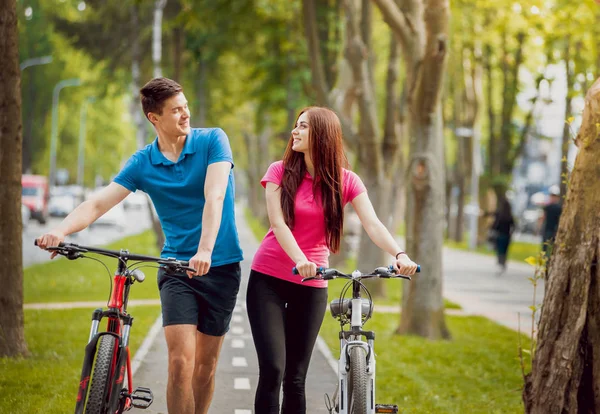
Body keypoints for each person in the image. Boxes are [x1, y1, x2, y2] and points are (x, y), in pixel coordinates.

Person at [36, 77, 243, 414]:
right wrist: (59, 231)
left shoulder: (213, 141)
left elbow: (215, 195)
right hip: (176, 269)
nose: (185, 114)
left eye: (186, 106)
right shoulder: (143, 163)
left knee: (205, 369)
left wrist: (205, 250)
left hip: (219, 267)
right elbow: (98, 203)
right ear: (154, 118)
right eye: (176, 110)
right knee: (179, 363)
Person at [246, 106, 418, 413]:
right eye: (295, 126)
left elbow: (373, 225)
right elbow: (278, 224)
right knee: (273, 369)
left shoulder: (347, 181)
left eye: (302, 127)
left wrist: (399, 254)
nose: (294, 132)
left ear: (322, 135)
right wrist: (300, 259)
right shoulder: (278, 171)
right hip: (268, 279)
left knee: (296, 379)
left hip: (312, 285)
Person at [490, 196, 515, 274]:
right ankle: (503, 263)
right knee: (505, 250)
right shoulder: (509, 216)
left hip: (499, 235)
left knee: (499, 250)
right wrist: (511, 233)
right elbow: (513, 226)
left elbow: (494, 224)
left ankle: (500, 263)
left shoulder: (499, 214)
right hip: (507, 235)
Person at [539, 185, 563, 258]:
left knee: (548, 247)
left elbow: (542, 217)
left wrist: (539, 227)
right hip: (548, 229)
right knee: (547, 247)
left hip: (553, 230)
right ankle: (546, 261)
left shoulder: (557, 208)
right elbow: (543, 217)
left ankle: (547, 261)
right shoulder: (550, 207)